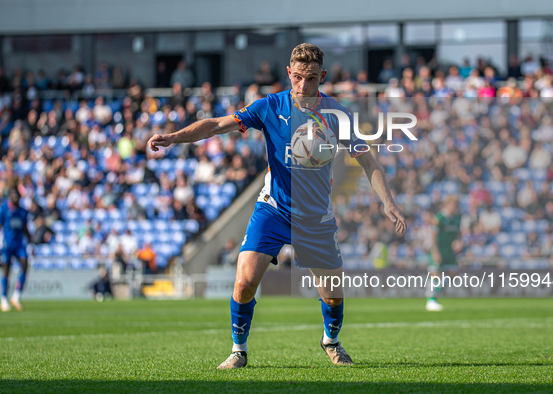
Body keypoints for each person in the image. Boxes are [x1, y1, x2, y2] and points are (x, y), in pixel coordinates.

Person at [148, 43, 407, 369]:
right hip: (273, 208)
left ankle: (331, 341)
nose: (302, 86)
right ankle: (238, 350)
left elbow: (368, 161)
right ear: (288, 73)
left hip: (315, 217)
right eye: (297, 77)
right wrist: (173, 138)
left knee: (333, 295)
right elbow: (215, 125)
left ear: (322, 77)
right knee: (243, 281)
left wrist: (389, 202)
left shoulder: (337, 116)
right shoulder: (270, 106)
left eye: (310, 79)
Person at [425, 195, 462, 312]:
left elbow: (458, 232)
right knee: (435, 275)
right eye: (453, 205)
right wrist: (435, 252)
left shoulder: (457, 218)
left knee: (453, 275)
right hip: (438, 250)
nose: (454, 208)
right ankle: (430, 300)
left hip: (449, 251)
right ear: (447, 205)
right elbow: (433, 236)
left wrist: (458, 241)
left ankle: (434, 294)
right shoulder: (439, 218)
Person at [0, 188, 31, 312]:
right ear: (10, 198)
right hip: (7, 245)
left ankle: (16, 296)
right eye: (13, 197)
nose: (15, 199)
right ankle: (3, 299)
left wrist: (31, 240)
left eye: (17, 197)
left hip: (19, 245)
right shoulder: (4, 210)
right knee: (6, 271)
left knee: (25, 265)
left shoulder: (23, 212)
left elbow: (25, 228)